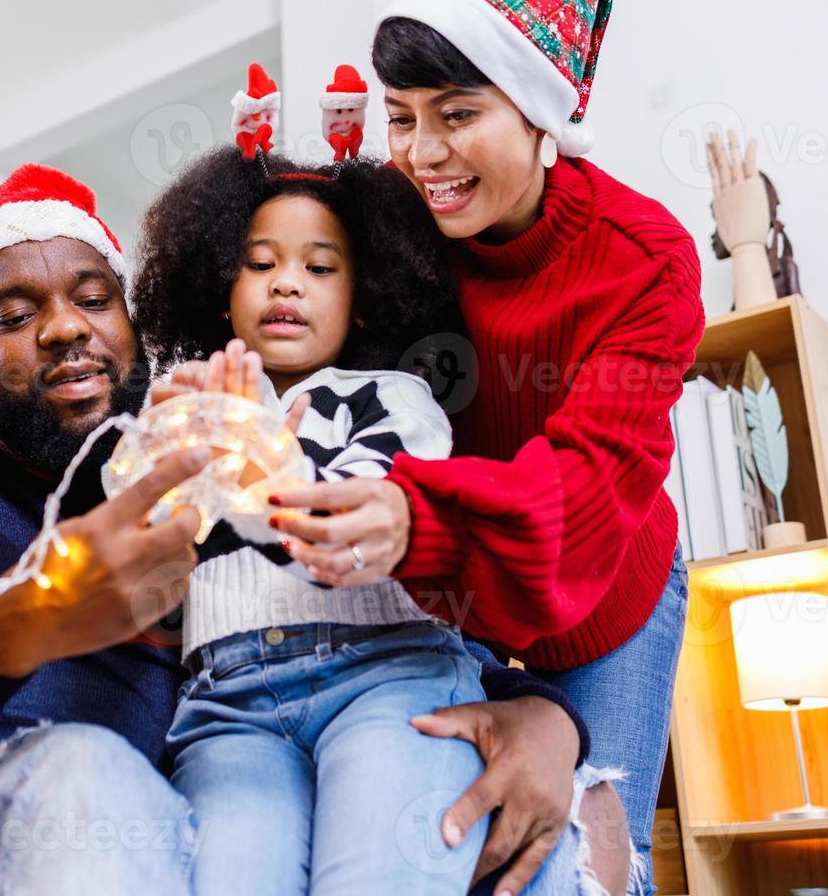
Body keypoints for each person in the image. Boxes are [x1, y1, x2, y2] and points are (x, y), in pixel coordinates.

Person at [0, 162, 630, 895]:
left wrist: (544, 719)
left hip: (224, 806)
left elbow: (359, 617)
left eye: (94, 299)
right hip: (31, 798)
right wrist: (27, 620)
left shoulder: (205, 463)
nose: (68, 327)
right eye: (11, 316)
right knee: (88, 768)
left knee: (549, 826)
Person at [266, 0, 704, 894]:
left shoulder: (646, 262)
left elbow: (587, 490)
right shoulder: (390, 229)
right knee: (449, 846)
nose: (424, 154)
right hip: (438, 587)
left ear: (542, 110)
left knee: (584, 857)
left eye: (458, 114)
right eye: (401, 117)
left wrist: (416, 514)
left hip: (602, 606)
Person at [132, 148, 610, 895]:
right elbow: (138, 524)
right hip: (228, 703)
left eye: (320, 268)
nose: (287, 281)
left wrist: (249, 455)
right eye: (260, 264)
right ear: (223, 290)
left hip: (382, 671)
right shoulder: (191, 401)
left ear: (361, 301)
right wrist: (154, 443)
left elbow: (350, 515)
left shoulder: (393, 397)